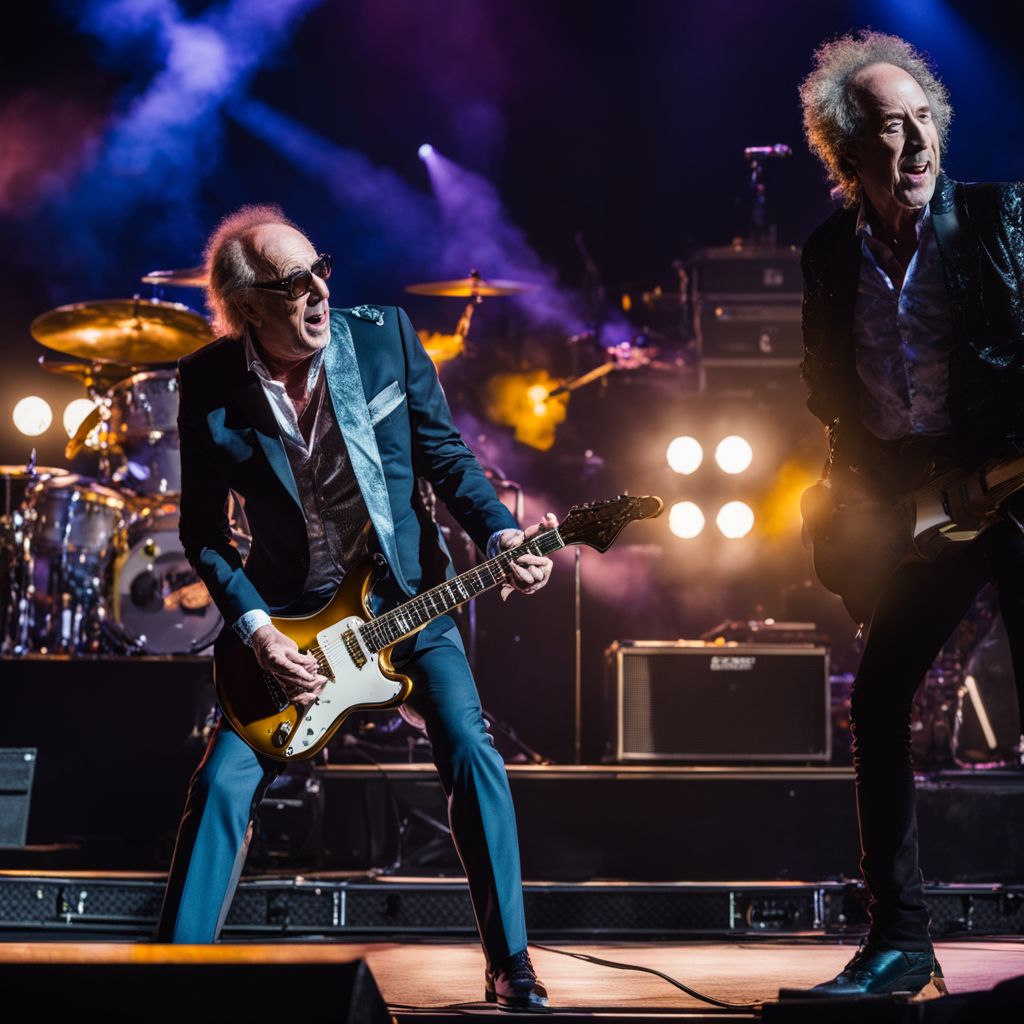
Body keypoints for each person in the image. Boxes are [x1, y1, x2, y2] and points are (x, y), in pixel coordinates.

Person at [157, 204, 555, 1012]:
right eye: (292, 283)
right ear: (247, 307)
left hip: (411, 600)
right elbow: (201, 533)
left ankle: (512, 962)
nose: (318, 292)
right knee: (224, 780)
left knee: (471, 751)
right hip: (289, 625)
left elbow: (445, 457)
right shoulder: (208, 382)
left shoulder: (383, 337)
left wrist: (503, 534)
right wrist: (258, 630)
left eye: (321, 270)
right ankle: (168, 976)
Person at [793, 31, 1024, 998]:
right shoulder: (827, 255)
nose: (919, 143)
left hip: (1017, 492)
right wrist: (856, 510)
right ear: (849, 157)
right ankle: (900, 939)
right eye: (891, 129)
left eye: (926, 119)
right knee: (880, 702)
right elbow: (836, 400)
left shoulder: (999, 218)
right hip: (925, 508)